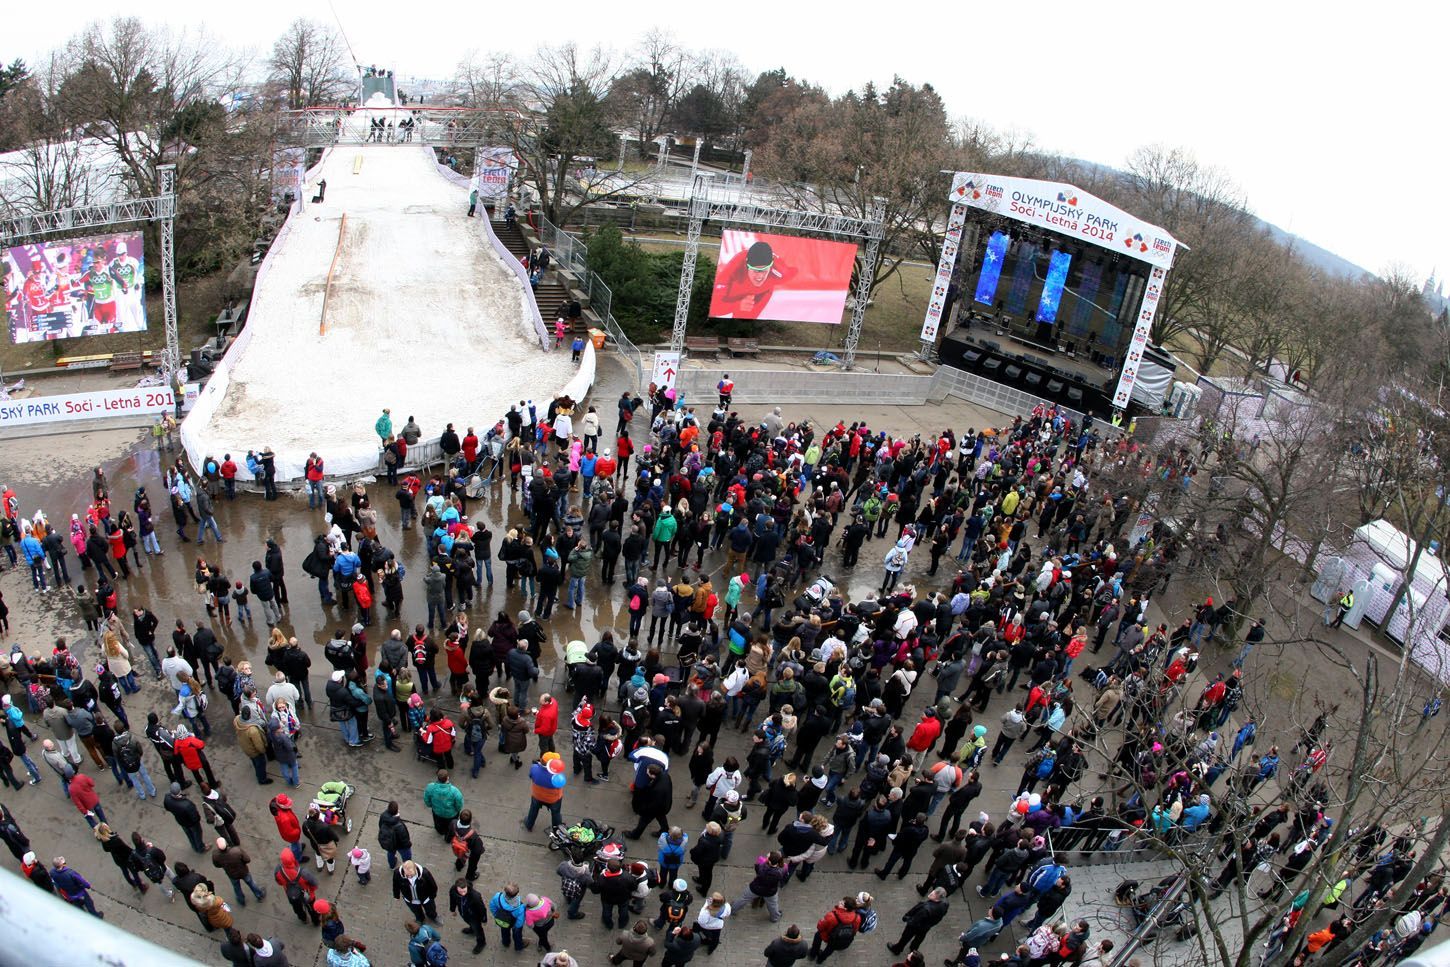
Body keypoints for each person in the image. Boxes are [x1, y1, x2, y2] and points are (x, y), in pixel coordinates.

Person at [808, 896, 861, 963]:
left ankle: (813, 954)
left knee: (818, 935)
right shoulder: (857, 917)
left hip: (828, 936)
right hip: (837, 940)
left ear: (845, 908)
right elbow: (855, 930)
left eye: (841, 903)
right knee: (830, 949)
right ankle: (820, 960)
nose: (839, 902)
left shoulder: (832, 916)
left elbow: (820, 926)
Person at [450, 877, 489, 954]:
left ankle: (481, 942)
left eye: (464, 891)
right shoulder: (453, 890)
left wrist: (484, 919)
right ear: (456, 887)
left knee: (478, 930)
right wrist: (452, 909)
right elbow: (452, 900)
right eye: (460, 891)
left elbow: (482, 909)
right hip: (464, 913)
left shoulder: (475, 896)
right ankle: (472, 930)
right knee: (470, 923)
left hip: (474, 917)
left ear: (467, 887)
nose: (463, 893)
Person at [488, 881, 529, 952]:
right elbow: (520, 921)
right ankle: (518, 946)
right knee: (517, 935)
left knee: (504, 931)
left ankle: (505, 943)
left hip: (503, 921)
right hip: (514, 924)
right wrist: (515, 927)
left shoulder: (497, 896)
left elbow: (492, 906)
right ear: (517, 894)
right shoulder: (520, 907)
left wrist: (496, 915)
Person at [423, 769, 464, 838]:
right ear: (448, 777)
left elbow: (426, 800)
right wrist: (457, 811)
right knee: (451, 827)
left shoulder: (430, 787)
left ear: (438, 777)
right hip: (451, 815)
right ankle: (447, 836)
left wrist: (431, 806)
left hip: (437, 812)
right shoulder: (455, 791)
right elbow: (459, 805)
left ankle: (440, 831)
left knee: (438, 824)